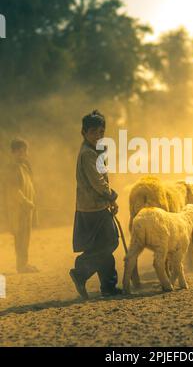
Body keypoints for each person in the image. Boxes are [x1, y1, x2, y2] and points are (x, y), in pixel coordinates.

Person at [70, 110, 121, 299]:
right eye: (93, 132)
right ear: (84, 133)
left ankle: (108, 286)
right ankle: (81, 271)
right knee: (109, 242)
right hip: (93, 207)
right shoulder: (88, 154)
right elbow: (97, 182)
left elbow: (102, 179)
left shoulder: (95, 151)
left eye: (101, 132)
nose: (98, 136)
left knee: (104, 245)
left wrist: (109, 198)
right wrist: (111, 197)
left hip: (95, 205)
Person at [5, 138, 39, 273]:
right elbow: (14, 191)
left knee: (26, 237)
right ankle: (21, 266)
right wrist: (27, 202)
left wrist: (32, 204)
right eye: (19, 150)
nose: (22, 153)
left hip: (27, 209)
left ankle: (24, 263)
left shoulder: (24, 166)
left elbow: (30, 187)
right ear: (13, 152)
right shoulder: (12, 168)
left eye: (24, 150)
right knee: (20, 237)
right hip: (18, 209)